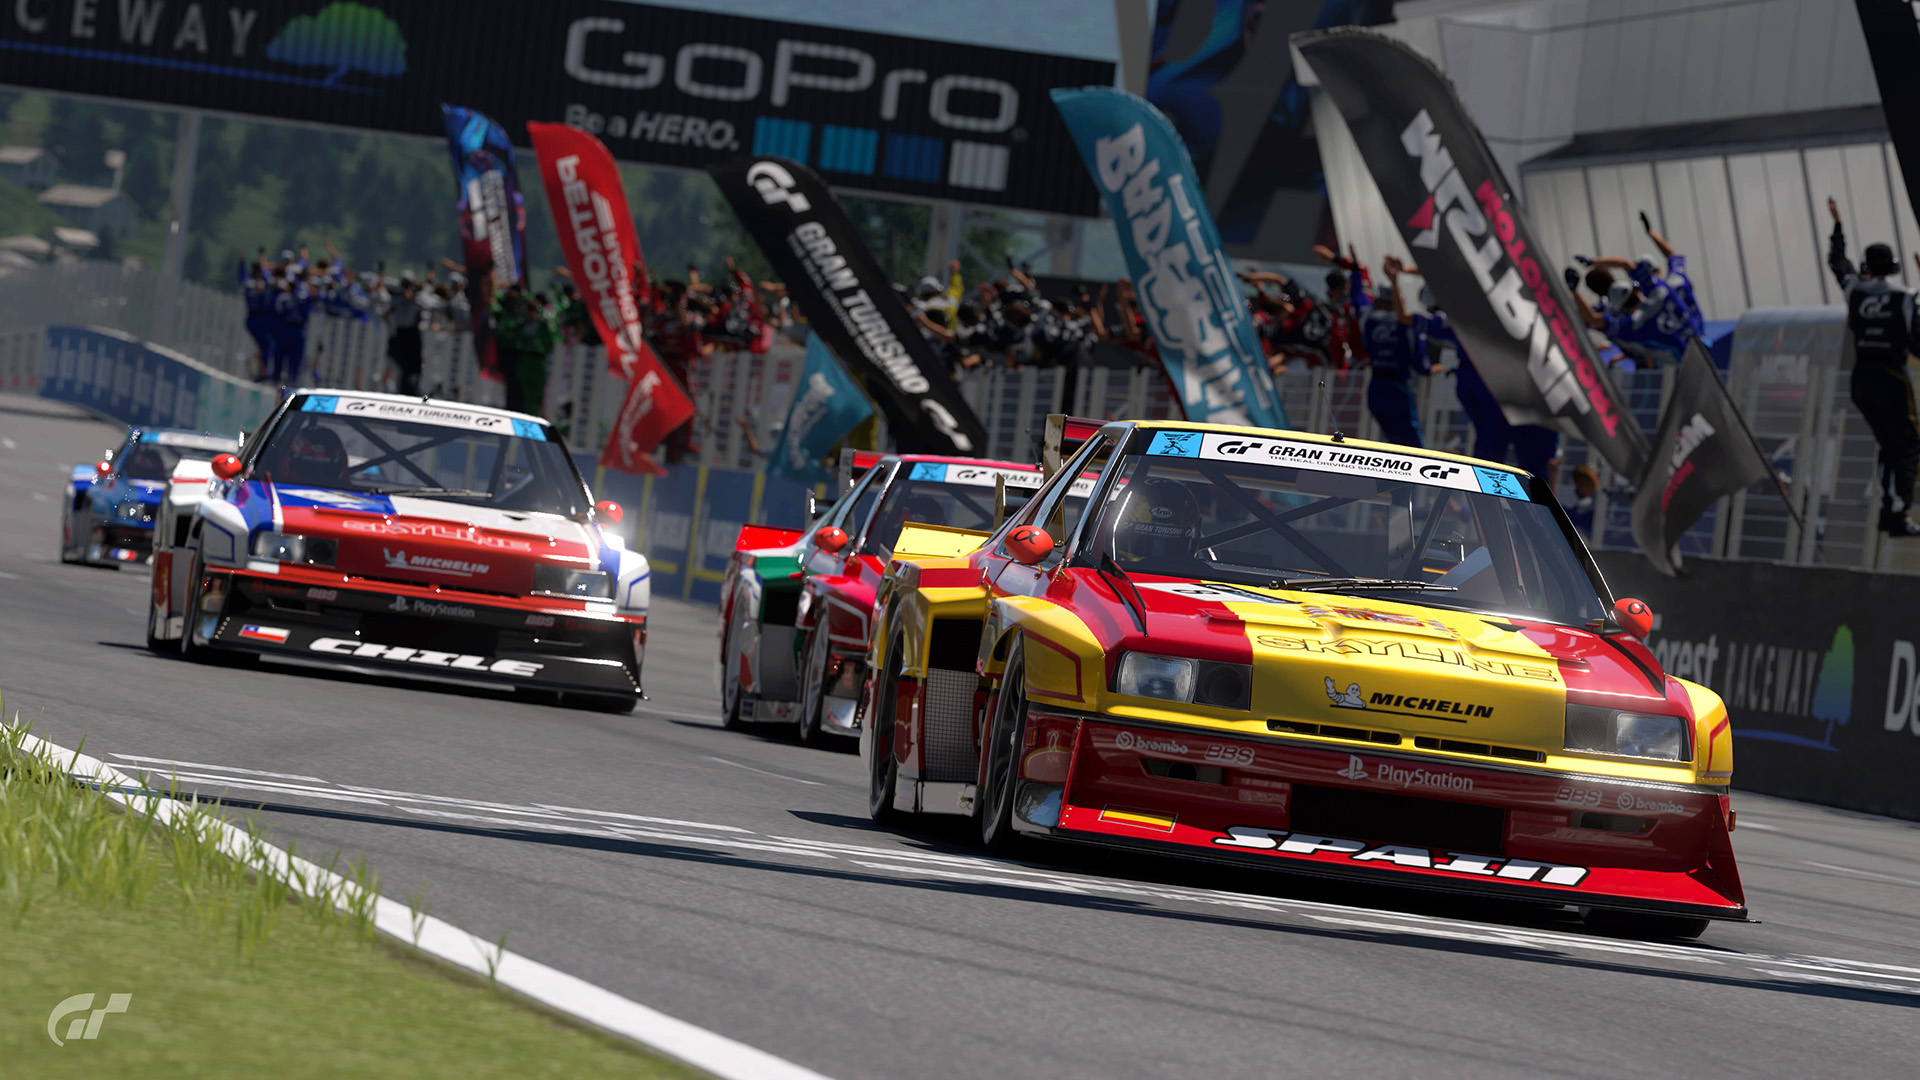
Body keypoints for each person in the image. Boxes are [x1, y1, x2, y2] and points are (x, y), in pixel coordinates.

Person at [1827, 196, 1920, 536]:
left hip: (1862, 380)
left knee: (1890, 445)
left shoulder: (1855, 290)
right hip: (1891, 378)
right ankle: (1896, 512)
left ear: (1867, 267)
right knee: (1907, 445)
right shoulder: (1906, 298)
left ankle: (1889, 510)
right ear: (1893, 267)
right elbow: (1918, 345)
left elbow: (1838, 262)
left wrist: (1838, 226)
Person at [1421, 285, 1558, 482]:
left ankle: (1487, 489)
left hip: (1511, 389)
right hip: (1511, 389)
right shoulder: (1479, 315)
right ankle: (1486, 490)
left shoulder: (1466, 316)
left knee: (1497, 444)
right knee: (1498, 444)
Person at [1359, 258, 1441, 447]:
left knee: (1391, 444)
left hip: (1375, 388)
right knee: (1412, 448)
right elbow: (1421, 365)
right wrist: (1435, 369)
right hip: (1397, 390)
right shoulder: (1412, 325)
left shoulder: (1369, 320)